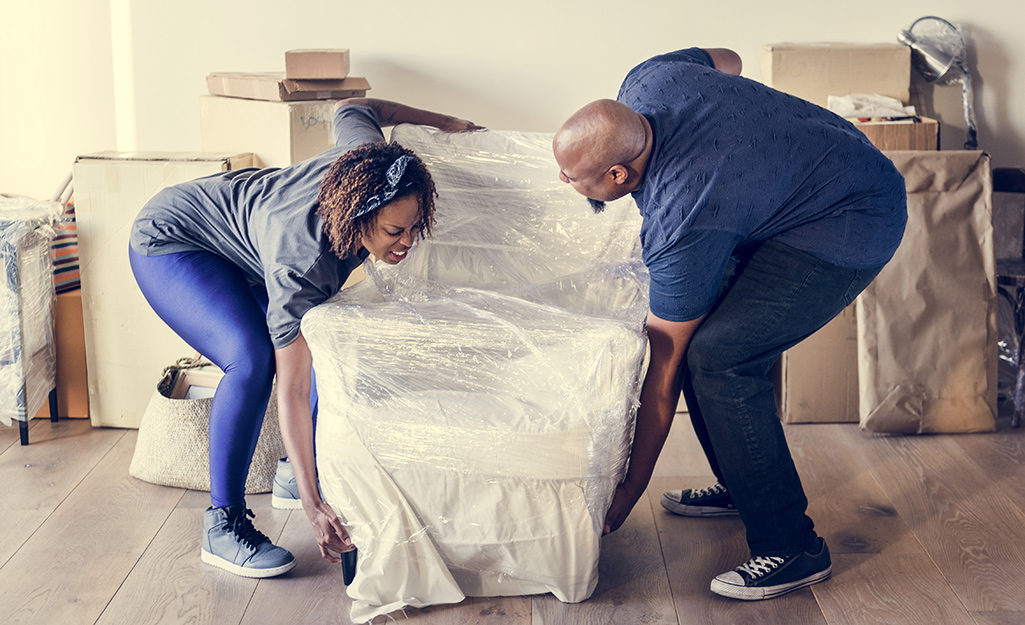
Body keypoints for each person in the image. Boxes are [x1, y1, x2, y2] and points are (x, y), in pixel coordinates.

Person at [553, 47, 906, 600]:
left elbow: (663, 373)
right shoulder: (652, 79)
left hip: (853, 217)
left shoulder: (684, 215)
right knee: (711, 337)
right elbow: (729, 59)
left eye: (573, 178)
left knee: (718, 358)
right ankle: (747, 485)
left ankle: (794, 546)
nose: (563, 181)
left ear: (618, 173)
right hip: (823, 170)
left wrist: (628, 493)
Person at [129, 98, 482, 578]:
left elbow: (356, 106)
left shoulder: (373, 161)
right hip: (173, 239)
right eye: (395, 231)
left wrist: (446, 120)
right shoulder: (303, 265)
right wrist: (317, 508)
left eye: (417, 227)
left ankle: (295, 472)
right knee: (252, 360)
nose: (408, 242)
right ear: (357, 217)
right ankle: (223, 524)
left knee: (325, 343)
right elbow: (292, 388)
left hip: (246, 244)